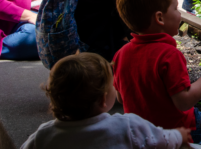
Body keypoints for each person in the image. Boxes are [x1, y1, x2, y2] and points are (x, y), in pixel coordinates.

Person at [113, 0, 201, 148]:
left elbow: (120, 97)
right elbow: (184, 102)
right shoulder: (168, 55)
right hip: (174, 135)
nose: (180, 13)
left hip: (141, 136)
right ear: (160, 18)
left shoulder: (120, 54)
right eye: (175, 8)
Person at [21, 52, 191, 149]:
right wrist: (179, 135)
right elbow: (161, 139)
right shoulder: (126, 125)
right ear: (103, 99)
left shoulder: (44, 135)